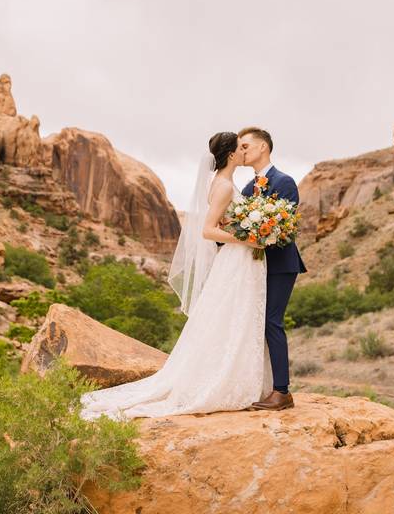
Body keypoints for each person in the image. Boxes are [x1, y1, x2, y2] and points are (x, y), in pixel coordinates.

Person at [79, 131, 271, 420]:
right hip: (237, 258)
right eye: (241, 148)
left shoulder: (225, 183)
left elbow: (224, 222)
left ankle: (238, 376)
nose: (245, 152)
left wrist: (242, 228)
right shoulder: (224, 187)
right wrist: (248, 239)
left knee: (236, 318)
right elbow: (208, 230)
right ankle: (223, 381)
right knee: (232, 318)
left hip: (240, 260)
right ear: (231, 155)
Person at [238, 127, 307, 411]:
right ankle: (258, 385)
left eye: (245, 146)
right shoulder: (246, 188)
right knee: (253, 323)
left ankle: (282, 391)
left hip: (280, 265)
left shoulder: (285, 181)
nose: (241, 152)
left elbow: (285, 228)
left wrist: (260, 230)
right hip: (254, 267)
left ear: (263, 147)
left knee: (271, 322)